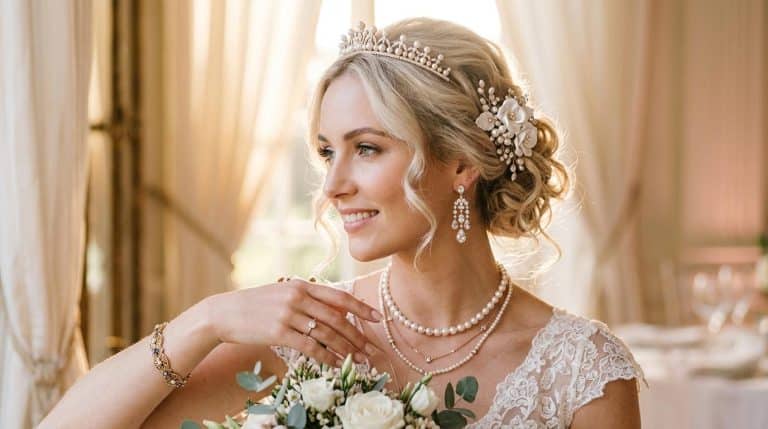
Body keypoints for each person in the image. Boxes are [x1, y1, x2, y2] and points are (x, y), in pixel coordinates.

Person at [42, 18, 644, 428]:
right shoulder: (310, 335)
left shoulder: (583, 368)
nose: (333, 186)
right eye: (328, 151)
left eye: (368, 148)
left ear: (461, 162)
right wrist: (208, 319)